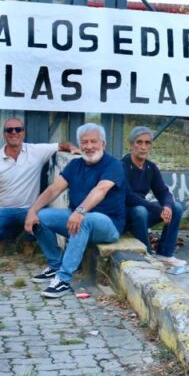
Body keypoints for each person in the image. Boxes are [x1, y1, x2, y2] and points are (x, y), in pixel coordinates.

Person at [24, 123, 127, 299]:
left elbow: (100, 190)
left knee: (83, 220)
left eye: (94, 141)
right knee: (40, 217)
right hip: (79, 218)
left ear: (103, 144)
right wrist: (32, 211)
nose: (89, 146)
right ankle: (55, 265)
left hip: (108, 225)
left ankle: (63, 279)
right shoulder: (75, 165)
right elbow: (53, 190)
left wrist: (79, 211)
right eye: (84, 142)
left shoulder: (113, 165)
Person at [0, 117, 75, 249]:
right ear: (4, 134)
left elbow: (63, 145)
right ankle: (6, 238)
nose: (14, 132)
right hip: (3, 209)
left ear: (23, 133)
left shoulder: (36, 151)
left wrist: (72, 148)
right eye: (9, 130)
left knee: (41, 222)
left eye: (18, 129)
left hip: (29, 209)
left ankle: (27, 241)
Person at [122, 126, 186, 268]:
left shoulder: (151, 167)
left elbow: (163, 191)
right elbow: (128, 196)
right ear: (131, 145)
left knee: (176, 207)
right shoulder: (122, 165)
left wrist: (167, 207)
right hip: (125, 217)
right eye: (139, 142)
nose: (143, 147)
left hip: (143, 216)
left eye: (147, 143)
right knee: (140, 210)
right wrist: (157, 209)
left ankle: (165, 253)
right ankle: (147, 254)